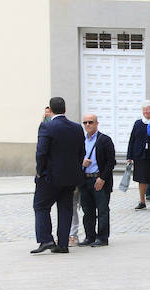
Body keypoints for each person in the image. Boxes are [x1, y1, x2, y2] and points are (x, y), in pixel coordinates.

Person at [32, 96, 85, 254]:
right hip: (70, 177)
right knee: (65, 209)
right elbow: (81, 152)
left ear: (51, 109)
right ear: (65, 109)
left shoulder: (46, 127)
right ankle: (63, 244)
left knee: (40, 206)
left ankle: (46, 239)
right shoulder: (77, 128)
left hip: (50, 176)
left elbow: (41, 153)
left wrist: (40, 171)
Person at [78, 114, 116, 246]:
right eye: (85, 123)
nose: (87, 125)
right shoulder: (81, 141)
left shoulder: (104, 140)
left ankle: (102, 237)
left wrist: (102, 178)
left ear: (96, 123)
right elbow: (75, 159)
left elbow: (111, 162)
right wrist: (81, 163)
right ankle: (90, 236)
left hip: (99, 179)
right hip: (85, 180)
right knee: (87, 210)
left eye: (90, 122)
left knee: (102, 210)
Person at [127, 100, 150, 211]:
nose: (146, 112)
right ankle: (142, 201)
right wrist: (129, 156)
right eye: (144, 109)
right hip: (139, 155)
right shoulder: (138, 123)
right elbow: (132, 139)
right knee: (141, 179)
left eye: (148, 109)